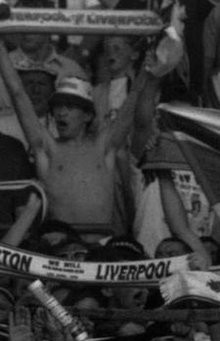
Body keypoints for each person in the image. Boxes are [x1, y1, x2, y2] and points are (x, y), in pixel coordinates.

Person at [0, 47, 156, 238]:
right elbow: (17, 92)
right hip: (59, 245)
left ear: (88, 115)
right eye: (58, 106)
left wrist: (148, 68)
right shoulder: (48, 149)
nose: (61, 112)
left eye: (70, 106)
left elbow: (134, 98)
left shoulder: (103, 147)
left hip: (101, 244)